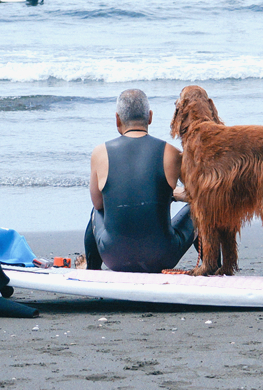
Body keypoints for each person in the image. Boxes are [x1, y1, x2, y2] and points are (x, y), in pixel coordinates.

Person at [84, 89, 197, 273]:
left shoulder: (100, 152)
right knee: (200, 209)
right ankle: (213, 266)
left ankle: (92, 269)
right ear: (150, 117)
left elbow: (98, 204)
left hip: (114, 257)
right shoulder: (172, 153)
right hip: (163, 256)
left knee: (96, 209)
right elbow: (197, 195)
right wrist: (172, 194)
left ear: (117, 119)